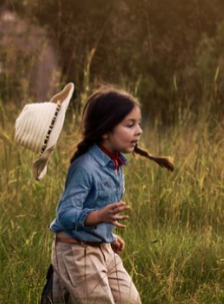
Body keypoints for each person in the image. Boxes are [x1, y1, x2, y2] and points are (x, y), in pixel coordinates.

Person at [41, 86, 173, 304]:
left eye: (138, 123)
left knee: (130, 301)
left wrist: (107, 235)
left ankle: (61, 287)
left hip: (102, 248)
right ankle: (61, 279)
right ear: (105, 131)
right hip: (76, 251)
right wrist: (98, 218)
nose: (139, 130)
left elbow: (99, 207)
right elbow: (65, 214)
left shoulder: (115, 163)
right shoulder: (84, 166)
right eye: (130, 125)